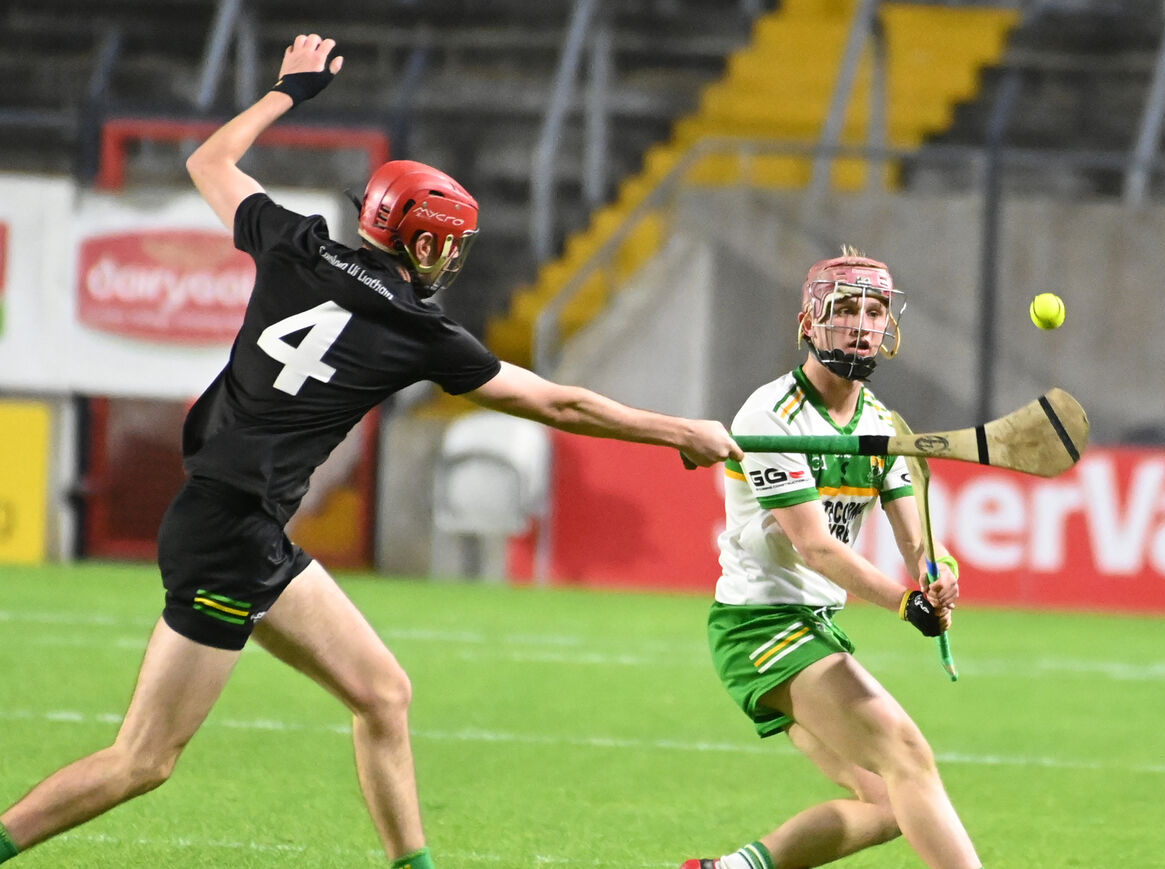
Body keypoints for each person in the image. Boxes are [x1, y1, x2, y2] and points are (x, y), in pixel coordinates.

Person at [0, 34, 741, 869]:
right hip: (230, 538)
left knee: (384, 693)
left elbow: (209, 160)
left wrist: (289, 90)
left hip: (237, 525)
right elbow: (559, 401)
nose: (451, 258)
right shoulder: (416, 328)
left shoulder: (296, 244)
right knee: (143, 760)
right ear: (423, 243)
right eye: (448, 243)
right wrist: (682, 431)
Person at [681, 248, 984, 869]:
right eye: (845, 309)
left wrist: (938, 576)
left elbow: (917, 540)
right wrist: (904, 604)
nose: (862, 324)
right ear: (809, 323)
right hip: (762, 627)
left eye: (874, 311)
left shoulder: (880, 423)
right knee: (908, 757)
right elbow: (813, 546)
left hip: (812, 625)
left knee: (890, 803)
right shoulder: (771, 415)